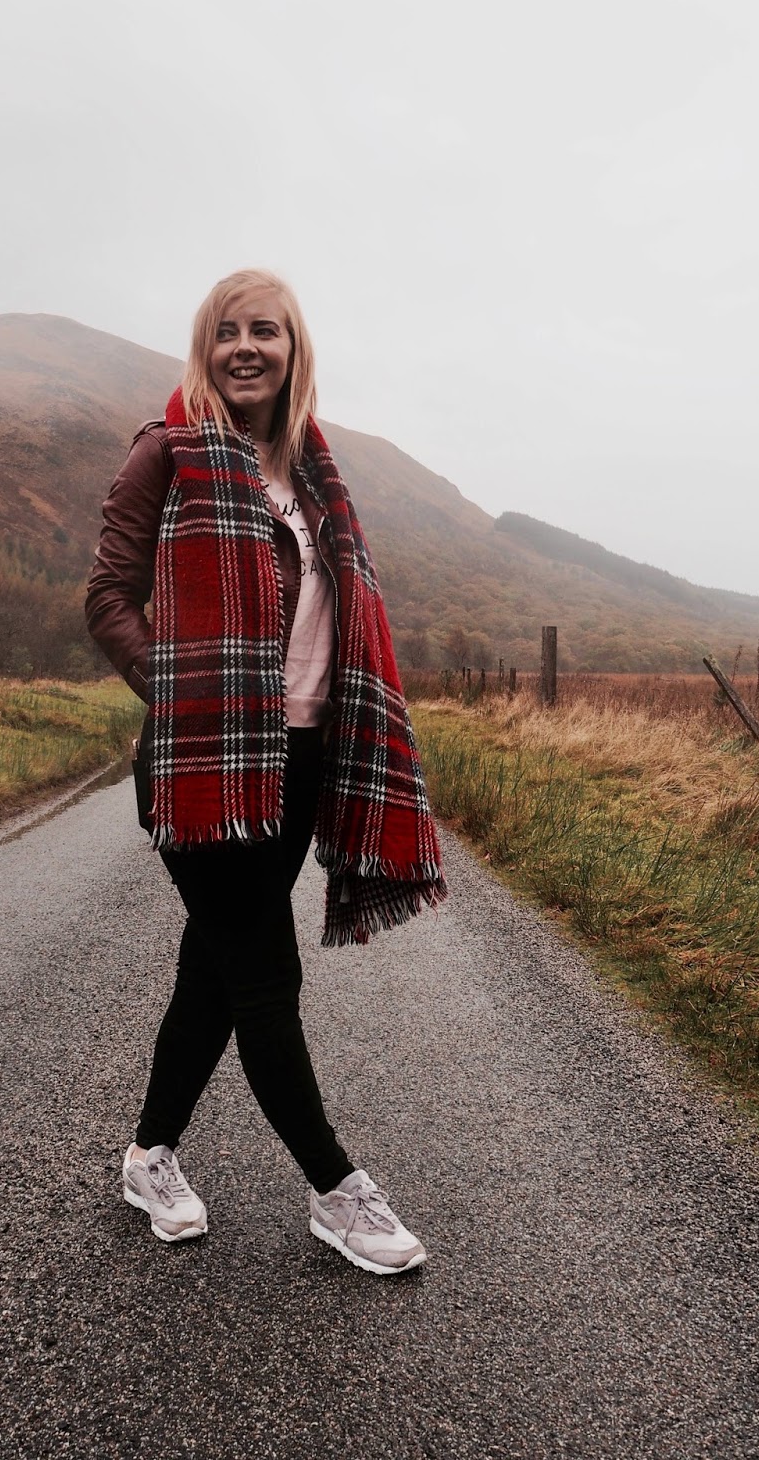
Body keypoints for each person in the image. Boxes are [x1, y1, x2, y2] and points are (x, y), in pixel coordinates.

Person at [84, 268, 446, 1277]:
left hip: (304, 761)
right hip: (206, 761)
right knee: (265, 975)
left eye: (267, 331)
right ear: (206, 348)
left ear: (294, 350)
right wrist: (177, 692)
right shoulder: (166, 452)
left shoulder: (319, 476)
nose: (246, 347)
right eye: (228, 331)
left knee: (215, 971)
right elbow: (107, 596)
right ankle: (336, 1189)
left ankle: (149, 1157)